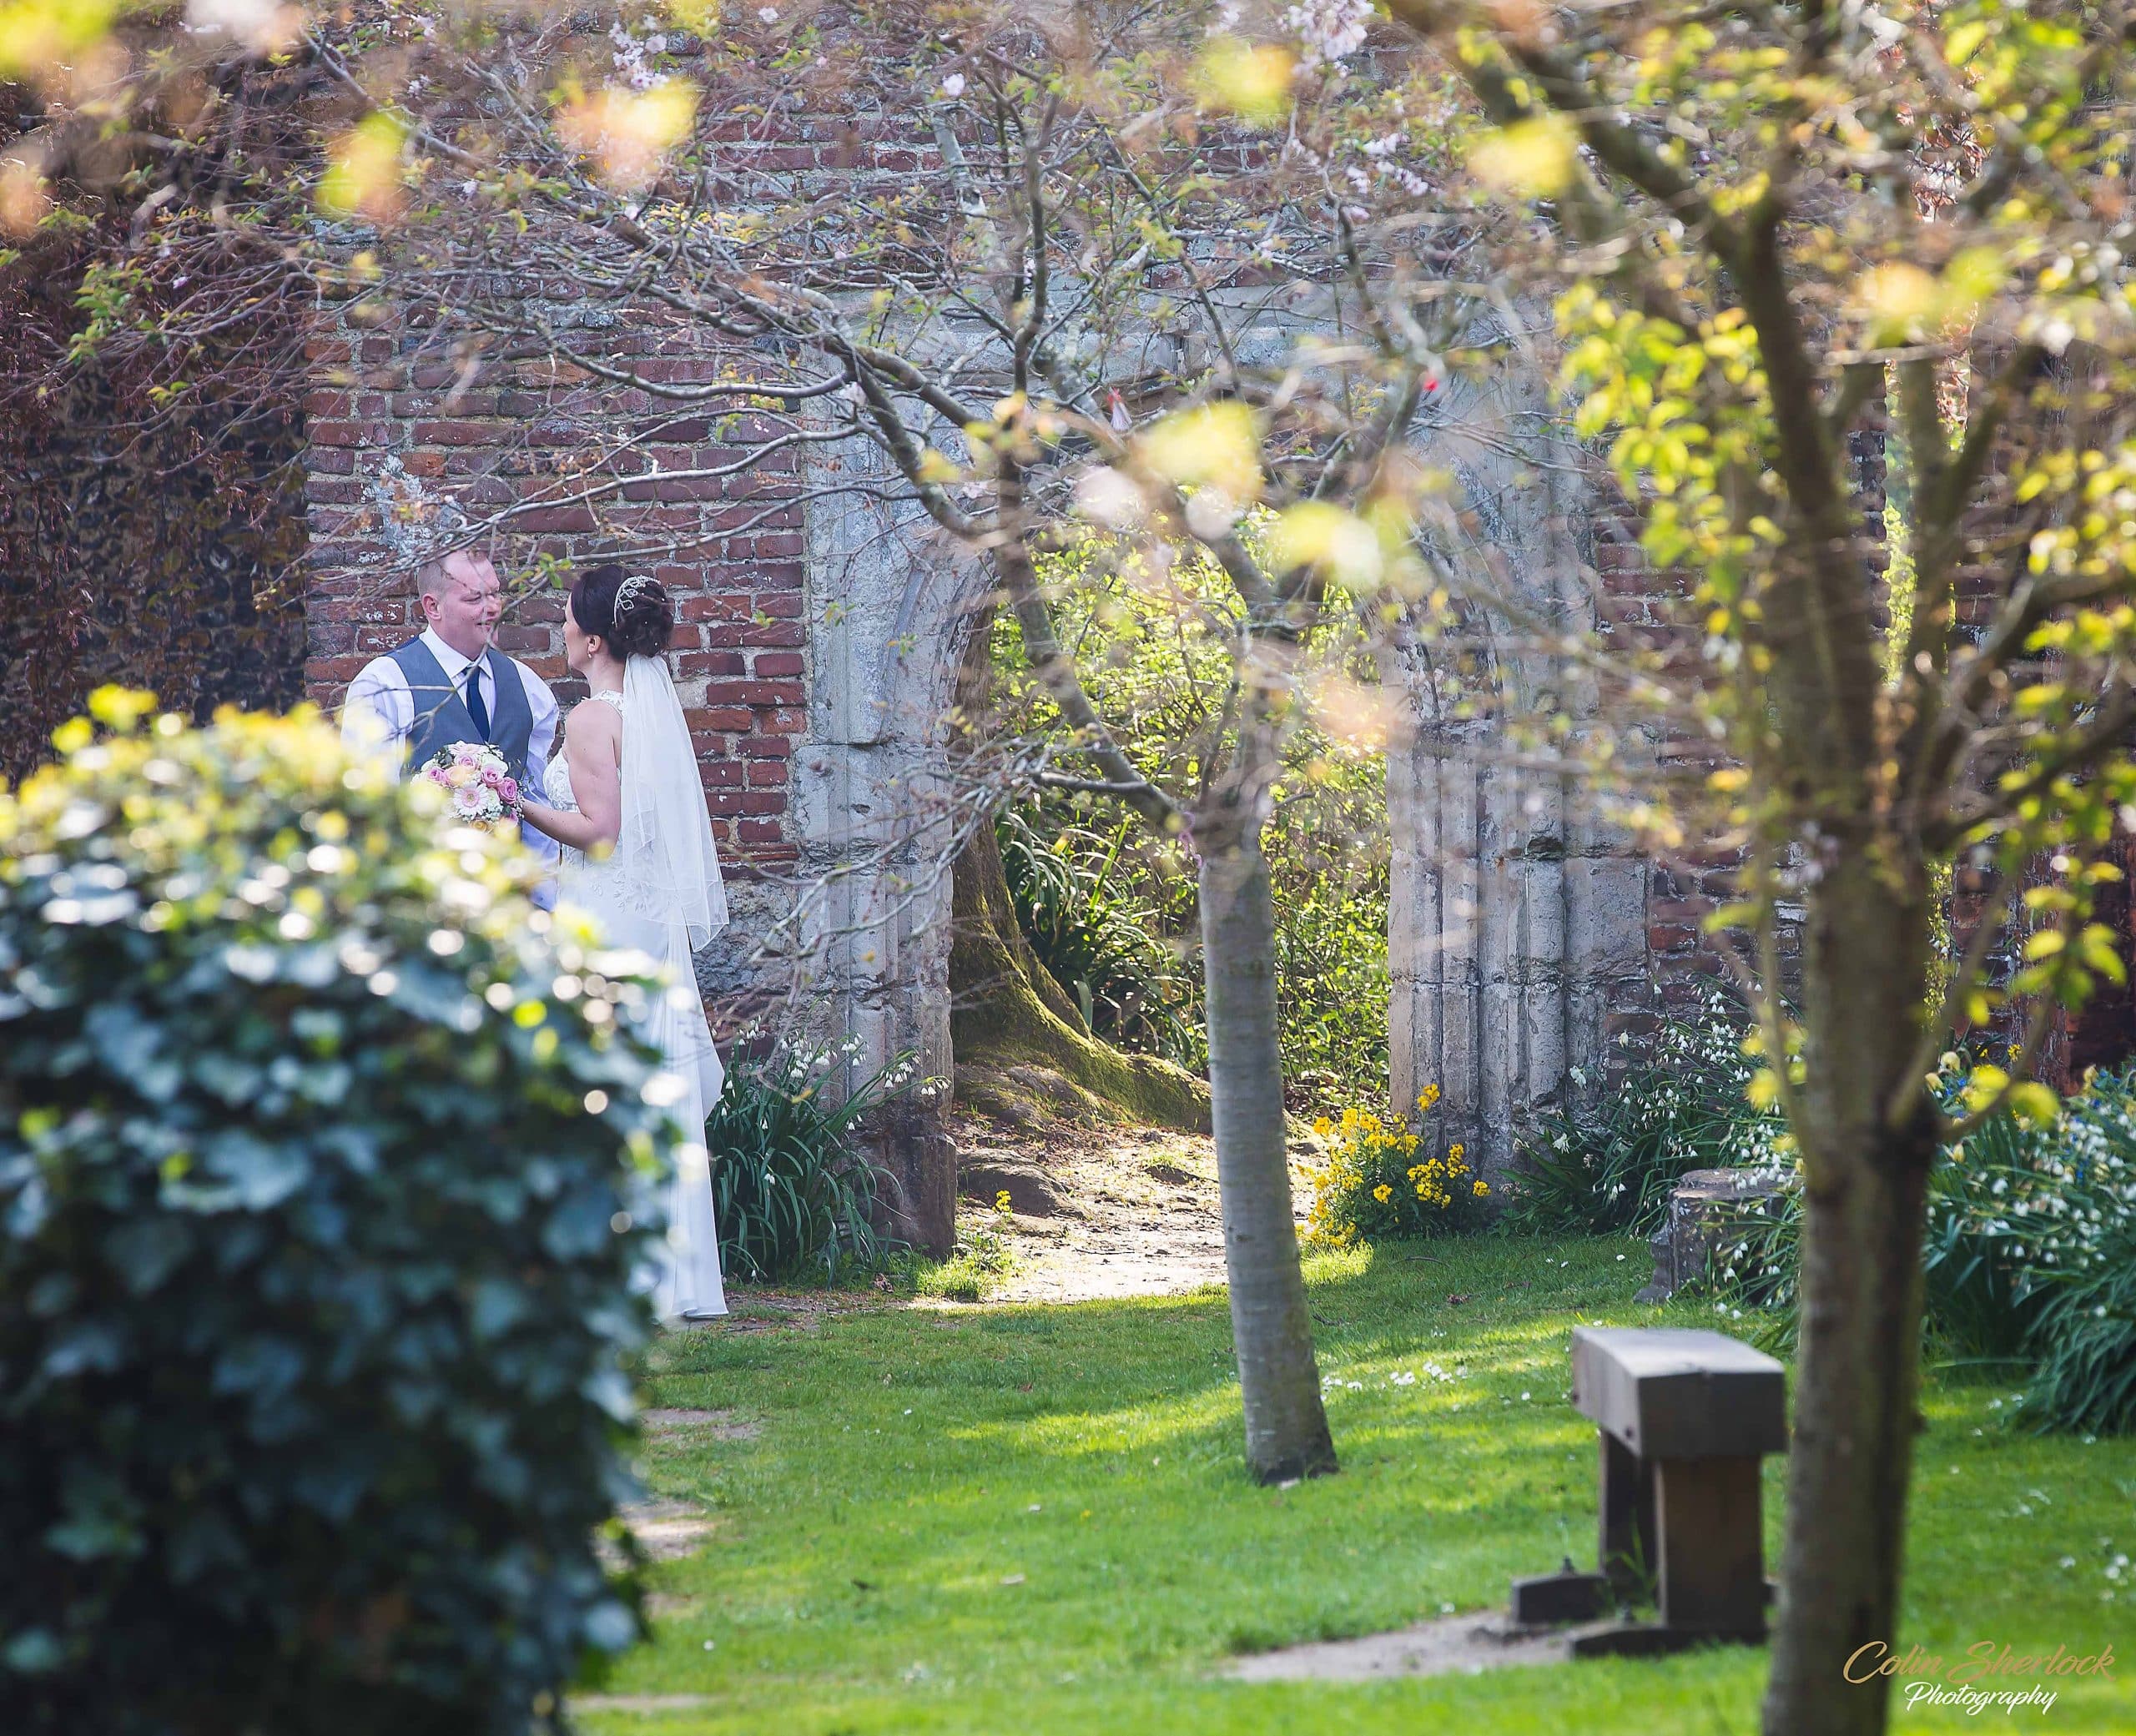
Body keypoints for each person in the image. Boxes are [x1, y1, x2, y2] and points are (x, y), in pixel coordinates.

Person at [520, 566, 730, 1322]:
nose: (562, 628)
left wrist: (519, 801)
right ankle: (677, 1280)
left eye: (569, 618)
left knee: (603, 1088)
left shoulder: (588, 719)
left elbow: (599, 835)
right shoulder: (649, 714)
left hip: (606, 917)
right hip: (651, 922)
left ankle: (612, 1274)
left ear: (596, 638)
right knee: (654, 1091)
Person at [339, 550, 562, 884]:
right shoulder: (385, 685)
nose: (493, 608)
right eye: (474, 598)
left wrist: (543, 902)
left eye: (495, 593)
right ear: (433, 607)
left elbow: (535, 806)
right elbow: (368, 810)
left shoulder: (529, 687)